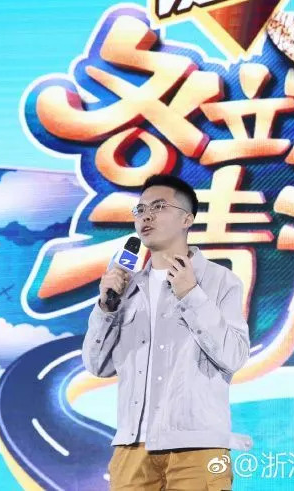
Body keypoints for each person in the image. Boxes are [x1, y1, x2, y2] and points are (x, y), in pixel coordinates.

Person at [82, 173, 251, 490]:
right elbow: (97, 366)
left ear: (187, 219)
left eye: (158, 207)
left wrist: (191, 295)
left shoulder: (220, 281)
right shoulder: (126, 289)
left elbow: (234, 356)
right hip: (132, 447)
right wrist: (106, 307)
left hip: (198, 446)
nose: (146, 216)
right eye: (141, 209)